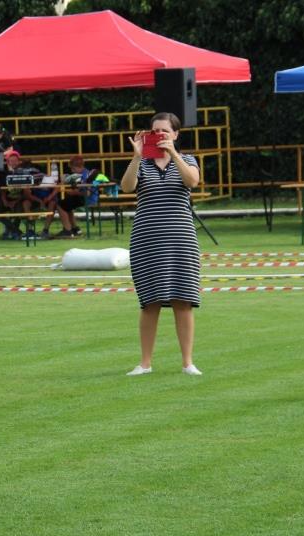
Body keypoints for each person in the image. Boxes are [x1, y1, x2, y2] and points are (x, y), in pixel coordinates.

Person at [121, 113, 202, 377]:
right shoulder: (142, 164)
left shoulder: (188, 160)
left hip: (181, 240)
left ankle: (188, 362)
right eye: (154, 131)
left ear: (176, 134)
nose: (158, 135)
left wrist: (173, 154)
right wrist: (136, 157)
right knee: (149, 302)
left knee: (183, 300)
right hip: (147, 240)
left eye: (164, 131)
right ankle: (145, 363)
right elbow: (127, 187)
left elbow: (192, 181)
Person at [55, 156, 98, 239]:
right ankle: (75, 229)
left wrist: (71, 192)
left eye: (73, 169)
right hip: (87, 198)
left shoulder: (85, 175)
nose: (72, 171)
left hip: (88, 199)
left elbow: (87, 193)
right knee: (67, 203)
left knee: (59, 204)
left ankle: (67, 230)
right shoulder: (85, 173)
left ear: (78, 167)